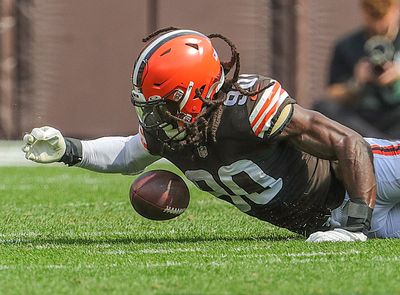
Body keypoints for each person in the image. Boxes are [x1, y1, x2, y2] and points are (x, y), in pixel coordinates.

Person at [22, 28, 400, 242]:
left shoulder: (249, 107)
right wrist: (68, 149)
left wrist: (355, 227)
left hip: (368, 178)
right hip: (331, 221)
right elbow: (126, 154)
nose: (154, 113)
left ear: (197, 90)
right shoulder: (176, 132)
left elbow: (347, 143)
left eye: (165, 102)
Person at [316, 0, 400, 138]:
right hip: (362, 118)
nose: (378, 25)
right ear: (363, 11)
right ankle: (382, 146)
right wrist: (357, 82)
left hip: (395, 116)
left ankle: (376, 146)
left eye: (382, 16)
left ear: (396, 9)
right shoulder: (346, 45)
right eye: (373, 16)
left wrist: (397, 74)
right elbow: (331, 94)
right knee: (323, 108)